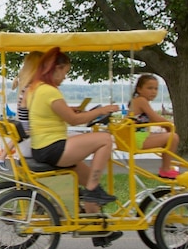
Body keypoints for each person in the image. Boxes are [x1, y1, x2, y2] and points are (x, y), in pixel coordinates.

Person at [26, 47, 120, 207]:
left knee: (92, 179)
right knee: (105, 139)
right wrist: (101, 111)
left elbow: (52, 112)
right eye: (65, 72)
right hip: (53, 148)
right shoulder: (49, 91)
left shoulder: (36, 88)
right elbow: (74, 121)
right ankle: (91, 193)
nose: (65, 77)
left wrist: (72, 110)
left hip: (42, 148)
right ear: (56, 68)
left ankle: (96, 223)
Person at [0, 51, 43, 171]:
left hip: (22, 118)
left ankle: (2, 159)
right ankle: (2, 159)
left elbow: (14, 88)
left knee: (16, 138)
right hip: (28, 123)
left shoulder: (25, 81)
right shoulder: (33, 88)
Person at [127, 74, 182, 179]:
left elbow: (152, 119)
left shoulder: (137, 101)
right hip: (138, 139)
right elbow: (156, 118)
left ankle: (167, 165)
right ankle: (166, 169)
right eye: (150, 88)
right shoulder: (141, 101)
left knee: (167, 136)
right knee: (173, 137)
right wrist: (169, 125)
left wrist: (166, 126)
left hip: (137, 136)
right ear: (139, 89)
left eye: (156, 89)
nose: (153, 91)